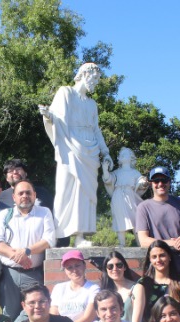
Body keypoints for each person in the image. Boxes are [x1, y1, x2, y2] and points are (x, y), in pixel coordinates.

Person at [40, 63, 112, 248]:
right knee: (65, 190)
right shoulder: (66, 92)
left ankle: (80, 236)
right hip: (70, 146)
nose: (96, 83)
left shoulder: (92, 103)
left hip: (91, 150)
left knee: (84, 193)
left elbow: (96, 129)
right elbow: (57, 117)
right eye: (94, 79)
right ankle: (55, 236)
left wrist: (105, 151)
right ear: (84, 75)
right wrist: (49, 116)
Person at [0, 178, 56, 320]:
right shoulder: (4, 215)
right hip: (9, 274)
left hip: (33, 274)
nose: (24, 196)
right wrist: (18, 257)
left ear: (34, 195)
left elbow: (49, 240)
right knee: (9, 314)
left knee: (31, 314)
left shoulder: (44, 212)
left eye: (28, 192)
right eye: (21, 193)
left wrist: (26, 251)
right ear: (14, 197)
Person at [135, 167, 180, 289]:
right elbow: (143, 240)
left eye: (164, 180)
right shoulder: (143, 207)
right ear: (150, 184)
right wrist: (172, 243)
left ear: (169, 182)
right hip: (160, 267)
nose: (160, 184)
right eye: (156, 181)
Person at [137, 240, 180, 322]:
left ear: (169, 256)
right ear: (150, 259)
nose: (158, 260)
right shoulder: (143, 283)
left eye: (162, 255)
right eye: (154, 257)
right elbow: (139, 313)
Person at [101, 147, 148, 246]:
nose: (121, 155)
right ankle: (122, 243)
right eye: (120, 154)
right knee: (120, 219)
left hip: (130, 196)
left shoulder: (135, 172)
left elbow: (140, 182)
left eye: (125, 154)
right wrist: (105, 170)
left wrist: (143, 183)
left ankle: (140, 242)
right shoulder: (117, 172)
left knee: (136, 219)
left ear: (131, 158)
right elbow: (108, 180)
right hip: (118, 196)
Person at [49, 250, 100, 322]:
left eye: (77, 265)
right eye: (69, 267)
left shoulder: (94, 289)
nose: (74, 270)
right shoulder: (59, 288)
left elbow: (88, 319)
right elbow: (53, 313)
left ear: (84, 265)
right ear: (65, 270)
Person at [99, 251, 146, 322]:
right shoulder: (105, 291)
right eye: (110, 266)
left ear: (125, 267)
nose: (115, 269)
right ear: (106, 270)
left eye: (119, 265)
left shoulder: (137, 288)